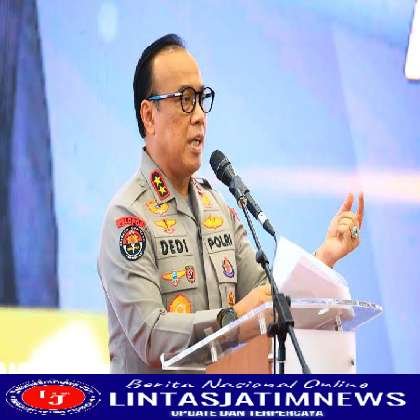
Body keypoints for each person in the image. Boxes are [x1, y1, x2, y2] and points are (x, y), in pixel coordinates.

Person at [98, 34, 364, 374]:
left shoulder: (217, 207)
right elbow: (150, 336)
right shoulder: (127, 218)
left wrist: (325, 256)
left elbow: (267, 298)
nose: (199, 116)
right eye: (185, 100)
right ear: (149, 116)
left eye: (201, 99)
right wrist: (234, 319)